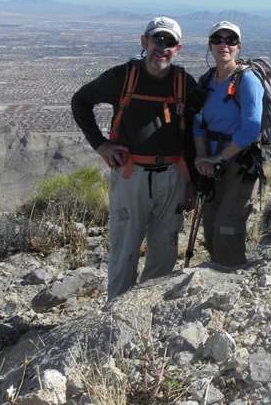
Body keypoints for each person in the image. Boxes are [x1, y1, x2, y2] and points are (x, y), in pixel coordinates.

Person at [71, 17, 198, 300]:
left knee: (165, 251)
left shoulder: (184, 83)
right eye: (157, 40)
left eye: (170, 43)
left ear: (178, 49)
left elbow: (193, 135)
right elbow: (80, 101)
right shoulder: (122, 77)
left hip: (173, 178)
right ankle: (116, 317)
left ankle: (149, 311)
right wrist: (100, 145)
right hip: (131, 176)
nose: (162, 48)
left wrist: (192, 183)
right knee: (125, 250)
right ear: (144, 42)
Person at [193, 21, 264, 267]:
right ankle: (216, 280)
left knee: (226, 226)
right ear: (210, 46)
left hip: (239, 165)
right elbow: (197, 123)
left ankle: (233, 279)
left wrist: (218, 158)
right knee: (211, 226)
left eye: (230, 40)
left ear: (238, 47)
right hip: (212, 166)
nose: (224, 44)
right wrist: (202, 157)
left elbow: (251, 129)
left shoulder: (247, 80)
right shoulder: (205, 81)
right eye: (218, 40)